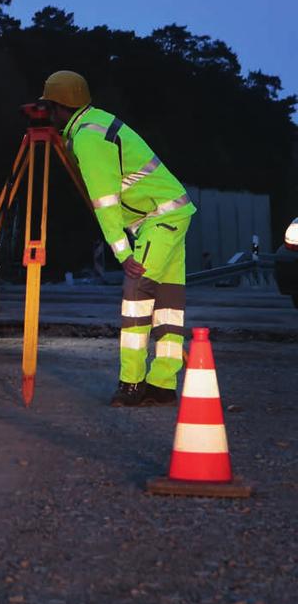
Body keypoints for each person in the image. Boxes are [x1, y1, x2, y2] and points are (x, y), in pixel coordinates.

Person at [39, 71, 195, 407]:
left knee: (137, 298)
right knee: (168, 306)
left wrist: (122, 253)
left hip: (160, 219)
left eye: (50, 108)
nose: (48, 116)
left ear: (60, 107)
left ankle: (131, 384)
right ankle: (163, 384)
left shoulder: (88, 139)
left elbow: (104, 201)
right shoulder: (95, 122)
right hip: (171, 214)